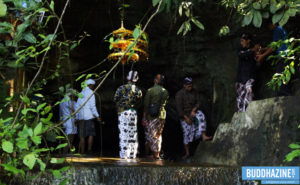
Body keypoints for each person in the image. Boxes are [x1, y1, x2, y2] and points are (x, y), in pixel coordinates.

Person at [175, 77, 211, 159]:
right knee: (187, 134)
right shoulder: (179, 94)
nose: (190, 87)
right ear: (184, 85)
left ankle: (203, 135)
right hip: (184, 115)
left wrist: (194, 110)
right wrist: (186, 118)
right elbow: (179, 109)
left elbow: (198, 102)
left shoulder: (194, 92)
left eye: (191, 85)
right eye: (188, 86)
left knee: (201, 115)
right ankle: (187, 153)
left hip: (193, 111)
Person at [114, 70, 142, 159]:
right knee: (132, 134)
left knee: (124, 133)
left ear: (127, 78)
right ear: (136, 79)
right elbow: (139, 101)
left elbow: (115, 98)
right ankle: (132, 155)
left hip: (123, 112)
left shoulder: (121, 88)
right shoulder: (138, 90)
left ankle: (124, 155)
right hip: (133, 112)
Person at [256, 23, 291, 96]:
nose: (269, 27)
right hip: (286, 56)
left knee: (280, 74)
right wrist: (263, 49)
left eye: (269, 25)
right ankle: (284, 93)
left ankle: (284, 95)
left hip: (285, 56)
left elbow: (273, 47)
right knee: (281, 73)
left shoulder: (277, 30)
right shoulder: (280, 29)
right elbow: (273, 45)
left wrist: (262, 56)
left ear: (273, 23)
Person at [142, 74, 169, 160]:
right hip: (162, 116)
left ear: (155, 81)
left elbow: (146, 105)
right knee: (158, 135)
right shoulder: (165, 91)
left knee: (152, 135)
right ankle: (157, 153)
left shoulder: (150, 90)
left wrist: (144, 116)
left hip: (152, 116)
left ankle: (154, 154)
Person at [236, 33, 261, 112]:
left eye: (243, 41)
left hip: (250, 77)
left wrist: (258, 55)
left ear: (248, 41)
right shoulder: (241, 50)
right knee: (240, 100)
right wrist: (254, 49)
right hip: (240, 79)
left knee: (249, 92)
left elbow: (258, 63)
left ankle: (250, 113)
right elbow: (242, 55)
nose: (241, 43)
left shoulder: (254, 51)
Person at [76, 79, 101, 154]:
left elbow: (77, 107)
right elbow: (92, 107)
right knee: (91, 134)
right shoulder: (91, 93)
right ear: (91, 85)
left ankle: (82, 152)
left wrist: (76, 118)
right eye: (93, 86)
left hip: (81, 117)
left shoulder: (81, 93)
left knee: (82, 135)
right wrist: (97, 116)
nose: (93, 87)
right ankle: (89, 150)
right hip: (89, 117)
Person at [59, 89, 78, 153]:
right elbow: (76, 111)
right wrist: (77, 118)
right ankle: (66, 152)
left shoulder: (62, 101)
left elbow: (60, 112)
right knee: (70, 138)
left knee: (66, 137)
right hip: (70, 121)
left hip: (64, 120)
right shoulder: (70, 102)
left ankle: (66, 152)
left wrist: (61, 120)